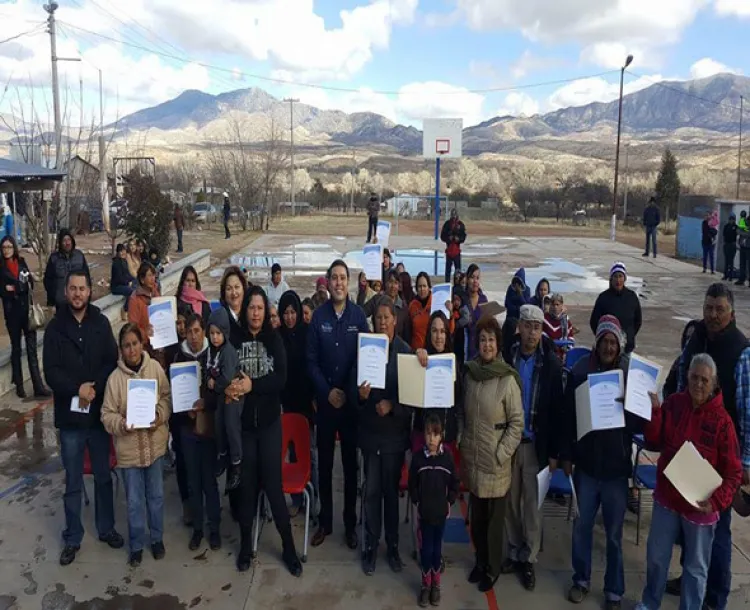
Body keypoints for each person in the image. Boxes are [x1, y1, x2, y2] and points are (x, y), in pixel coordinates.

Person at [635, 354, 742, 610]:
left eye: (704, 380)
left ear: (713, 382)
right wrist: (655, 412)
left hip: (700, 508)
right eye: (694, 378)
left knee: (695, 569)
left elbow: (733, 474)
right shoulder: (674, 404)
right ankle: (650, 603)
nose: (698, 384)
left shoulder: (723, 422)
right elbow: (654, 441)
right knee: (657, 557)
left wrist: (716, 501)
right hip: (668, 499)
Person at [667, 282, 750, 609]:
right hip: (689, 451)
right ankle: (690, 579)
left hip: (721, 459)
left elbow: (748, 411)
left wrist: (746, 462)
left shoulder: (742, 351)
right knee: (690, 523)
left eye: (719, 309)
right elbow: (679, 380)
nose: (713, 315)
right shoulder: (697, 337)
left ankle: (714, 599)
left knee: (718, 532)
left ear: (730, 312)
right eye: (709, 308)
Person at [560, 315, 642, 609]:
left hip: (617, 471)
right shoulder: (581, 372)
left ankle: (614, 590)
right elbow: (568, 419)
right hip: (586, 468)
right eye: (604, 341)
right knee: (581, 527)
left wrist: (629, 407)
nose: (608, 347)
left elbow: (638, 426)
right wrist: (567, 456)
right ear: (596, 343)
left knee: (614, 536)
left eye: (613, 342)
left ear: (619, 346)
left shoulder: (629, 377)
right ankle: (580, 580)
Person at [43, 270, 122, 566]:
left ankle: (106, 528)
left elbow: (109, 361)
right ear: (66, 292)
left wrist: (94, 388)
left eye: (82, 288)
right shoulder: (54, 329)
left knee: (103, 476)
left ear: (90, 292)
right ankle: (72, 536)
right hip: (70, 420)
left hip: (97, 418)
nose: (77, 293)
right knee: (73, 481)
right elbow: (51, 371)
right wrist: (77, 388)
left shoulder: (100, 324)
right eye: (72, 289)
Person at [227, 286, 303, 576]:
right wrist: (229, 386)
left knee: (273, 487)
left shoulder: (275, 339)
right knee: (246, 488)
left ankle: (289, 548)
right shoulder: (234, 339)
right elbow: (226, 371)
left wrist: (253, 386)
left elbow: (281, 379)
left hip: (270, 426)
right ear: (245, 310)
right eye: (251, 308)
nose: (256, 313)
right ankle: (246, 546)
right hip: (244, 428)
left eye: (260, 308)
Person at [307, 259, 369, 549]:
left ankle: (349, 524)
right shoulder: (319, 318)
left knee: (349, 467)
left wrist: (346, 391)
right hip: (326, 404)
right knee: (325, 466)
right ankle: (325, 522)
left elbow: (364, 358)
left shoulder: (359, 317)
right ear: (328, 283)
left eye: (343, 278)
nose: (339, 283)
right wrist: (327, 391)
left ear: (349, 282)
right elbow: (311, 362)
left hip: (351, 406)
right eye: (334, 278)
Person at [502, 304, 564, 591]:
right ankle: (514, 550)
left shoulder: (550, 363)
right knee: (511, 500)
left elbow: (556, 411)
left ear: (542, 331)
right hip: (510, 441)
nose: (531, 332)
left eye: (537, 327)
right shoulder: (509, 355)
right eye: (527, 325)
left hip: (535, 444)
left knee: (531, 505)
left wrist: (554, 452)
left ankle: (529, 558)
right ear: (520, 328)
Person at [461, 316, 523, 592]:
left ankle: (493, 567)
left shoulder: (507, 379)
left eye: (491, 340)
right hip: (474, 458)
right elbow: (463, 413)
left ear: (498, 345)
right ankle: (480, 561)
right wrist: (463, 440)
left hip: (495, 462)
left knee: (494, 524)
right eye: (482, 339)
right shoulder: (471, 374)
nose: (486, 344)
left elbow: (517, 423)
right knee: (477, 519)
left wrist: (502, 453)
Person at [100, 323, 171, 567]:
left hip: (154, 447)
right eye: (126, 345)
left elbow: (166, 396)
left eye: (135, 343)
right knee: (133, 502)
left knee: (156, 496)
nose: (131, 349)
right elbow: (106, 414)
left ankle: (157, 538)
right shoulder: (114, 380)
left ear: (142, 344)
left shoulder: (154, 369)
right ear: (121, 349)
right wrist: (121, 424)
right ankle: (137, 544)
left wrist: (159, 415)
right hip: (129, 452)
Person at [357, 297, 413, 576]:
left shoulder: (405, 353)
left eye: (386, 317)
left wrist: (392, 406)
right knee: (372, 493)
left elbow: (412, 401)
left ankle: (392, 546)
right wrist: (361, 395)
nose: (381, 322)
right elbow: (354, 393)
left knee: (391, 495)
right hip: (370, 437)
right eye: (377, 318)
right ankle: (370, 546)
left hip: (393, 438)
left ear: (395, 320)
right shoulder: (365, 349)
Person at [173, 313, 221, 552]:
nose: (193, 336)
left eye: (197, 331)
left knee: (209, 481)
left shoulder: (212, 356)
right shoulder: (178, 357)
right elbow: (174, 396)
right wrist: (186, 413)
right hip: (187, 428)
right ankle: (198, 529)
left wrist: (206, 404)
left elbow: (219, 392)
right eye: (190, 331)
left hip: (208, 427)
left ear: (204, 332)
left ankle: (214, 529)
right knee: (193, 481)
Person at [409, 413, 460, 607]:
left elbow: (455, 482)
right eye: (429, 434)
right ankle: (425, 585)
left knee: (437, 550)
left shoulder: (447, 459)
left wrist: (449, 501)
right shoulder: (418, 459)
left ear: (442, 436)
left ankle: (436, 586)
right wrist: (417, 501)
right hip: (424, 514)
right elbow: (412, 483)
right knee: (425, 550)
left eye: (436, 434)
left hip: (440, 515)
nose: (432, 438)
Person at [279, 290, 316, 514]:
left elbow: (312, 366)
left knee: (309, 451)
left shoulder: (307, 333)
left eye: (293, 312)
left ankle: (314, 496)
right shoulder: (278, 336)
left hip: (306, 402)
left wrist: (313, 397)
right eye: (286, 313)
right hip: (286, 402)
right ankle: (297, 500)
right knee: (290, 452)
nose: (290, 317)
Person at [0, 236, 49, 398]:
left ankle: (38, 386)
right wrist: (14, 288)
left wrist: (14, 287)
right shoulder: (1, 267)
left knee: (32, 349)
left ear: (14, 247)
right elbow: (2, 290)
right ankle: (19, 385)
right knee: (16, 349)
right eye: (4, 247)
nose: (6, 250)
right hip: (12, 314)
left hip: (27, 312)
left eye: (9, 246)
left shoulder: (21, 262)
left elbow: (29, 283)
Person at [206, 307, 243, 492]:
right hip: (221, 396)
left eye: (218, 333)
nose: (214, 337)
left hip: (233, 396)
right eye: (211, 333)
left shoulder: (227, 351)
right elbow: (208, 370)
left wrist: (215, 384)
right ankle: (222, 454)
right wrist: (209, 381)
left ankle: (236, 461)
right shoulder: (212, 351)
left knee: (230, 424)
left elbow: (227, 377)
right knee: (218, 424)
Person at [414, 311, 460, 451]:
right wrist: (416, 358)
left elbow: (458, 399)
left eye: (442, 331)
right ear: (429, 334)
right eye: (434, 331)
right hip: (423, 436)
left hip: (446, 437)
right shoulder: (420, 361)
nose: (439, 336)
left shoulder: (454, 362)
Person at [589, 262, 642, 354]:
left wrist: (629, 336)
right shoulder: (603, 298)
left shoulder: (632, 297)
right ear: (611, 278)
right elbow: (594, 322)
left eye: (620, 276)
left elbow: (638, 321)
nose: (618, 280)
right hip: (607, 350)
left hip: (627, 348)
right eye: (615, 276)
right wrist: (603, 339)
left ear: (625, 278)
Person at [44, 228, 89, 311]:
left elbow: (87, 277)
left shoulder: (79, 256)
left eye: (69, 239)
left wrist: (87, 296)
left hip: (78, 300)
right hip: (61, 302)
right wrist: (53, 297)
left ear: (72, 240)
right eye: (64, 240)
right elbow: (47, 280)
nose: (67, 243)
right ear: (60, 243)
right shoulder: (54, 258)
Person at [127, 262, 161, 360]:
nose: (153, 278)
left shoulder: (155, 293)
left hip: (159, 343)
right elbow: (133, 327)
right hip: (145, 348)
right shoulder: (135, 300)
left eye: (154, 275)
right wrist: (146, 334)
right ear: (142, 279)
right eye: (149, 275)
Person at [662, 320, 700, 399]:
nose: (688, 342)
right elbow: (668, 387)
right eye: (687, 337)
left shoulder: (706, 365)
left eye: (692, 339)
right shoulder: (679, 361)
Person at [543, 293, 578, 361]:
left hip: (562, 357)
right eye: (553, 304)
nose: (555, 307)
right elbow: (542, 337)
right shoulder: (544, 319)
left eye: (557, 304)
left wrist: (566, 350)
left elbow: (570, 338)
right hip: (546, 355)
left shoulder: (566, 320)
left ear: (561, 305)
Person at [465, 264, 489, 361]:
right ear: (467, 279)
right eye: (472, 277)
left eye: (477, 278)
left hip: (478, 349)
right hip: (462, 348)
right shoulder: (460, 299)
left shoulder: (483, 300)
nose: (475, 281)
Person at [440, 208, 467, 283]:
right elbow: (442, 236)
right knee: (448, 270)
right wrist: (449, 238)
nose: (454, 217)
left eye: (455, 215)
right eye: (453, 215)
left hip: (457, 251)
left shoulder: (461, 225)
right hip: (449, 250)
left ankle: (458, 284)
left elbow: (464, 236)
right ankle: (447, 283)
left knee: (458, 270)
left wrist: (458, 239)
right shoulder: (447, 224)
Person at [110, 243, 135, 314]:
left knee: (138, 285)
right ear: (117, 253)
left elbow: (127, 274)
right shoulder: (116, 263)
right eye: (120, 251)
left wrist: (133, 279)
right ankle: (125, 309)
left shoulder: (124, 261)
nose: (122, 253)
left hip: (124, 284)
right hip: (116, 287)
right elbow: (119, 278)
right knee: (131, 291)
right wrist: (128, 283)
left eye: (123, 251)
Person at [735, 211, 750, 286]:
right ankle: (741, 279)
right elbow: (738, 231)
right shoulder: (743, 221)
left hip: (749, 247)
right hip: (743, 246)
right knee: (742, 264)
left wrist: (743, 232)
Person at [722, 213, 738, 281]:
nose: (731, 220)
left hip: (732, 245)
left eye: (733, 219)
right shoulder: (726, 226)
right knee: (726, 261)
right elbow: (724, 235)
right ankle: (725, 275)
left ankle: (731, 276)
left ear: (734, 220)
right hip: (727, 244)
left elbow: (737, 235)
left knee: (731, 261)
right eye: (730, 219)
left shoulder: (736, 227)